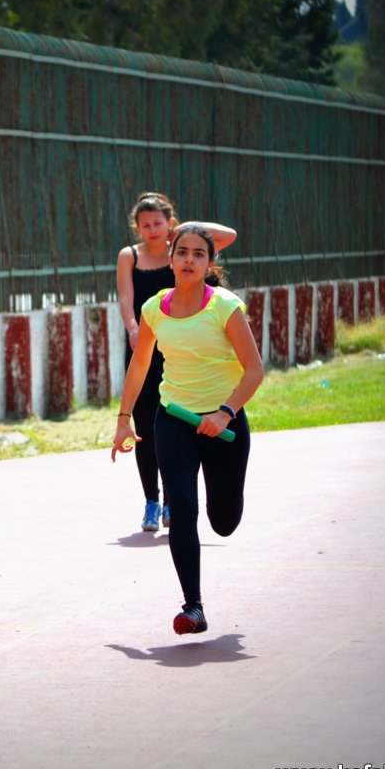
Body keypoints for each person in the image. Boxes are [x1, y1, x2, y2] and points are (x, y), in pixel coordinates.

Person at [111, 224, 263, 635]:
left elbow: (254, 370)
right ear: (171, 259)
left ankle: (224, 508)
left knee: (224, 520)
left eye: (199, 254)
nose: (190, 259)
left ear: (210, 264)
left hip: (224, 424)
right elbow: (140, 365)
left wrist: (226, 412)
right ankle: (192, 607)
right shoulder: (155, 308)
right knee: (181, 507)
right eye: (183, 252)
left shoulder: (225, 307)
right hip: (174, 419)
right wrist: (123, 420)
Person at [115, 192, 237, 533]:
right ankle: (151, 501)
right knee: (146, 427)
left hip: (178, 348)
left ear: (169, 223)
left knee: (174, 421)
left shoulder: (182, 249)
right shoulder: (129, 256)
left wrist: (183, 229)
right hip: (143, 343)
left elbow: (227, 236)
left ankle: (174, 500)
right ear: (137, 228)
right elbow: (125, 298)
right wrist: (133, 328)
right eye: (145, 225)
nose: (153, 230)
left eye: (159, 223)